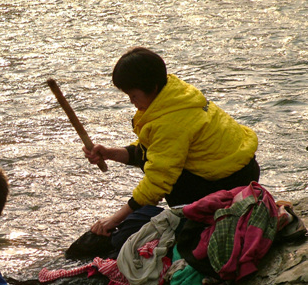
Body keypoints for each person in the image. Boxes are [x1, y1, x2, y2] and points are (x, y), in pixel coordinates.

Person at [84, 47, 260, 236]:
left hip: (229, 182)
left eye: (134, 95)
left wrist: (115, 219)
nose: (131, 101)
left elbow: (158, 181)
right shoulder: (177, 94)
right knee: (160, 163)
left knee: (167, 177)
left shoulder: (171, 122)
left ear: (153, 88)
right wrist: (110, 153)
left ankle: (199, 223)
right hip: (242, 169)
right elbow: (153, 150)